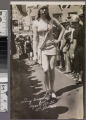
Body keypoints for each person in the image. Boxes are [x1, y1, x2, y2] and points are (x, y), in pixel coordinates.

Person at [32, 5, 65, 99]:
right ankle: (47, 91)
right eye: (42, 9)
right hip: (42, 49)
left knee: (51, 69)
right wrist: (35, 53)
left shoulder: (52, 20)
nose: (44, 10)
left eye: (45, 8)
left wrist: (58, 40)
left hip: (52, 47)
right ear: (39, 10)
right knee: (45, 70)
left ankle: (52, 90)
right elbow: (35, 39)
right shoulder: (35, 23)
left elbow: (63, 29)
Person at [70, 15, 84, 84]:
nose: (72, 24)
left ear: (76, 22)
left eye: (73, 23)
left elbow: (74, 43)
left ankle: (79, 78)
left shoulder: (75, 31)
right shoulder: (83, 28)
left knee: (77, 64)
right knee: (82, 64)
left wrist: (72, 52)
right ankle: (81, 78)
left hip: (78, 49)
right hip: (83, 48)